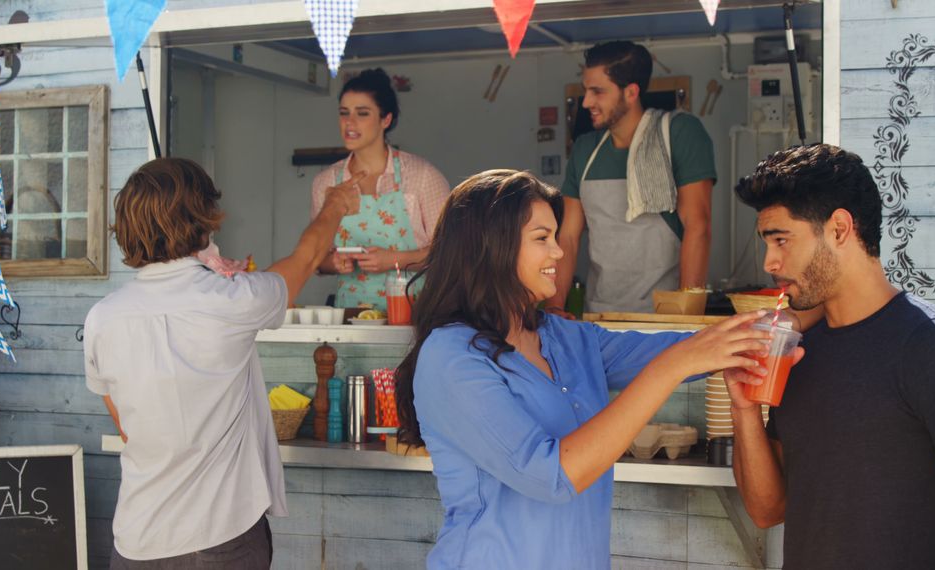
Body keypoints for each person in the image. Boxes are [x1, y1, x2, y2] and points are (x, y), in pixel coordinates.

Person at [394, 169, 772, 569]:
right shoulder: (451, 357)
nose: (558, 253)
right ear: (490, 247)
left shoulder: (564, 338)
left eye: (556, 237)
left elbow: (681, 351)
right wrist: (673, 369)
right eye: (542, 239)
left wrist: (788, 322)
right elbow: (549, 475)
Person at [725, 144, 935, 569]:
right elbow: (767, 509)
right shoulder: (798, 351)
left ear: (839, 229)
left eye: (781, 240)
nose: (770, 261)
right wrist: (742, 407)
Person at [83, 158, 359, 568]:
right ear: (204, 221)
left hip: (137, 539)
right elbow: (304, 261)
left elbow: (125, 425)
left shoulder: (102, 317)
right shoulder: (234, 300)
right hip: (221, 540)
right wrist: (335, 204)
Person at [548, 41, 717, 315]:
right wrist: (554, 308)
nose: (587, 102)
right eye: (585, 91)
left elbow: (698, 226)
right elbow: (567, 238)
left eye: (597, 92)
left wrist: (686, 318)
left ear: (631, 92)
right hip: (599, 315)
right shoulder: (584, 149)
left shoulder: (679, 134)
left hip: (664, 317)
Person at [310, 68, 451, 309]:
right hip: (352, 316)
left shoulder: (421, 175)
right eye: (344, 113)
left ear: (385, 119)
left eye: (362, 113)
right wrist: (333, 263)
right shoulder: (327, 182)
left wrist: (394, 260)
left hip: (416, 316)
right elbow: (315, 257)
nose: (349, 123)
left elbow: (450, 252)